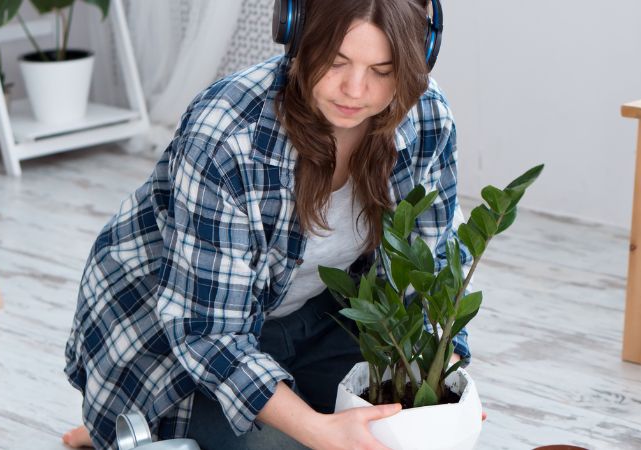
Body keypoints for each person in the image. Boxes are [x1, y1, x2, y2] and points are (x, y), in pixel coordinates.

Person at [62, 0, 472, 448]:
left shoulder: (427, 114)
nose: (356, 90)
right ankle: (125, 422)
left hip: (317, 316)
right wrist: (318, 430)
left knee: (396, 433)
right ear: (297, 36)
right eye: (336, 61)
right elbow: (207, 332)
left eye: (382, 69)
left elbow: (431, 273)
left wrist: (439, 394)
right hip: (177, 339)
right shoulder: (227, 133)